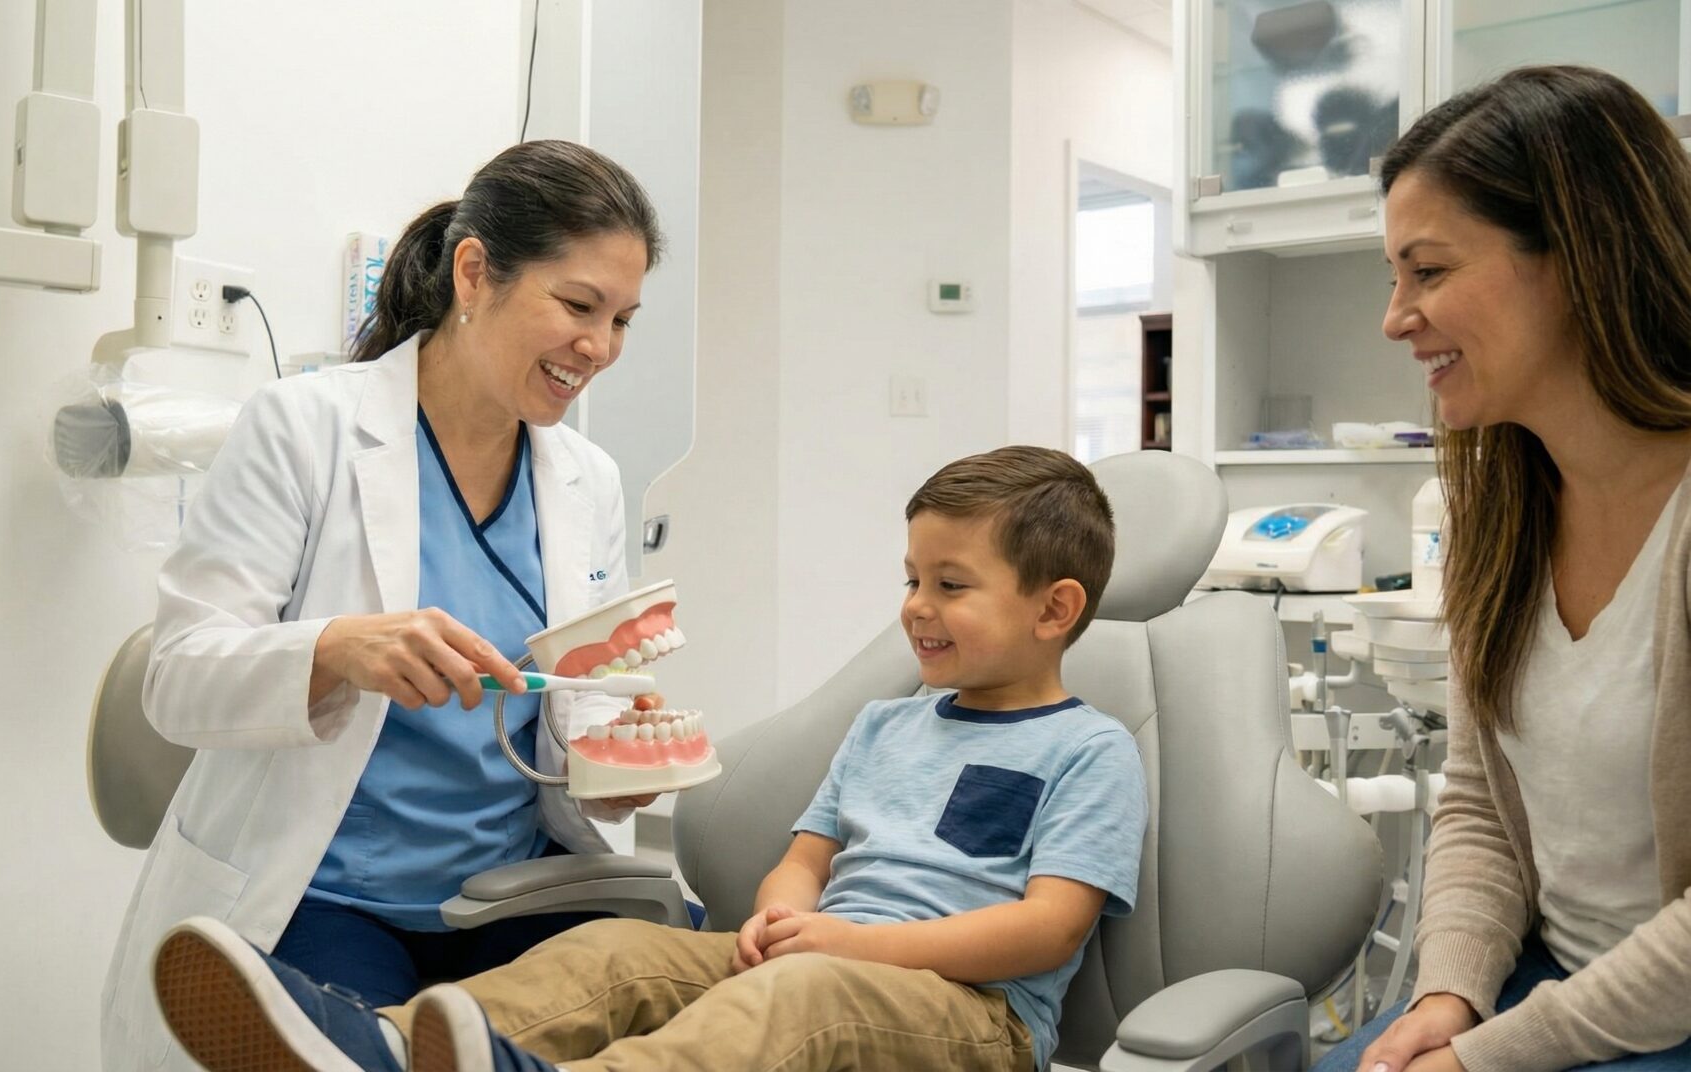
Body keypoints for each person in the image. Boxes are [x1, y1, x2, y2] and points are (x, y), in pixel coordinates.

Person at [146, 445, 1149, 1072]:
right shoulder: (891, 724)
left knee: (793, 998)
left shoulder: (1088, 749)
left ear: (1054, 608)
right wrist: (778, 910)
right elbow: (811, 852)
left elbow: (1045, 929)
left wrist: (846, 947)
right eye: (910, 576)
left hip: (970, 1020)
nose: (916, 605)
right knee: (611, 953)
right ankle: (387, 1045)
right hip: (825, 954)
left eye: (951, 583)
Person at [101, 140, 670, 1072]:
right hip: (328, 895)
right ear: (475, 271)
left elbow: (574, 702)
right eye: (576, 306)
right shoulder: (304, 428)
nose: (599, 348)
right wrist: (334, 648)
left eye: (622, 320)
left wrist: (618, 755)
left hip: (513, 893)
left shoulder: (589, 480)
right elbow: (177, 680)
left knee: (690, 989)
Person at [1315, 66, 1691, 1072]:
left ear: (1575, 259)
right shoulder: (1504, 506)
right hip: (1550, 990)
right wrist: (1448, 994)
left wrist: (1496, 1054)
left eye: (1428, 273)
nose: (1396, 318)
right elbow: (1480, 801)